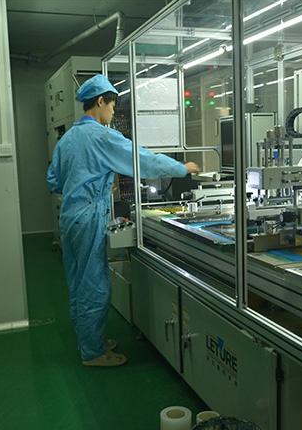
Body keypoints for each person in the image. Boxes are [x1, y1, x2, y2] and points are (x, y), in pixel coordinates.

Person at [47, 74, 201, 367]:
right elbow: (143, 160)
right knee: (94, 285)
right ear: (100, 101)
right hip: (88, 219)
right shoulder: (102, 136)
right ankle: (93, 353)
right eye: (112, 105)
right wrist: (181, 168)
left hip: (69, 218)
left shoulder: (66, 139)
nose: (114, 111)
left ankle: (89, 340)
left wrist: (94, 185)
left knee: (77, 282)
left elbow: (54, 180)